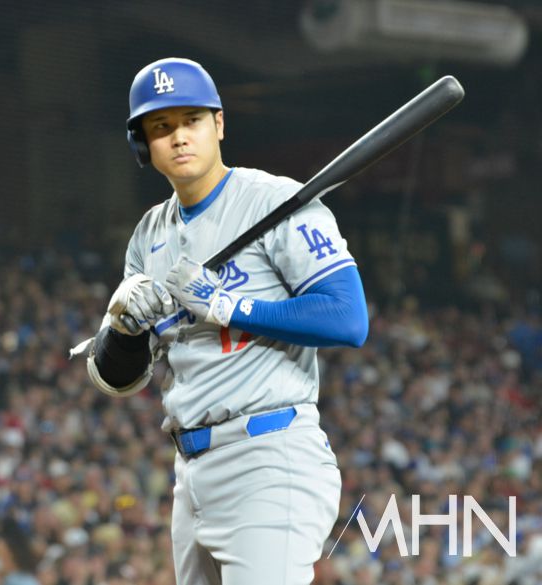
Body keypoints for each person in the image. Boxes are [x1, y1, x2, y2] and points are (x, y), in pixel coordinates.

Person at [81, 57, 369, 585]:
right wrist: (123, 329)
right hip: (189, 471)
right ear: (143, 145)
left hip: (268, 454)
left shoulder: (275, 201)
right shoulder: (149, 235)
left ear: (218, 124)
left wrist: (230, 306)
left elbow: (347, 318)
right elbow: (119, 379)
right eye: (161, 127)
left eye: (191, 120)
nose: (178, 136)